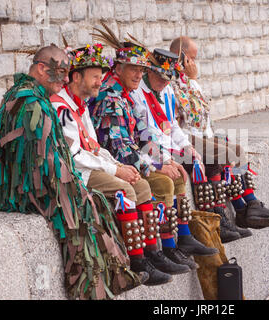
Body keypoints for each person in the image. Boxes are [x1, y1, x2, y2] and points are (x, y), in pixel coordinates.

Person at [0, 44, 147, 300]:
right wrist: (74, 192)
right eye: (62, 72)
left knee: (92, 207)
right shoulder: (32, 103)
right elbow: (44, 164)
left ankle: (119, 272)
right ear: (42, 69)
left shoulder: (31, 96)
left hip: (38, 185)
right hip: (32, 191)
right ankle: (90, 287)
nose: (66, 79)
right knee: (84, 215)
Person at [50, 40, 186, 286]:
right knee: (129, 189)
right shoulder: (63, 108)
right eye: (94, 77)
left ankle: (152, 253)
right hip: (78, 173)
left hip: (96, 164)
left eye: (101, 76)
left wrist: (122, 166)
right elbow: (75, 156)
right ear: (76, 77)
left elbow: (97, 146)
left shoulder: (79, 104)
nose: (99, 82)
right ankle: (136, 261)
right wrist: (119, 168)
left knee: (143, 187)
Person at [89, 25, 216, 270]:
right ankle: (152, 253)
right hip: (114, 162)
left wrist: (164, 160)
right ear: (118, 69)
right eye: (133, 70)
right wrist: (154, 165)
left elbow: (144, 133)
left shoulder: (126, 93)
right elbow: (120, 148)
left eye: (141, 70)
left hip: (129, 158)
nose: (138, 75)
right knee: (161, 182)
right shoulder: (111, 97)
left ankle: (178, 241)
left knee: (176, 174)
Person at [168, 36, 269, 239]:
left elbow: (205, 115)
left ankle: (249, 205)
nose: (194, 64)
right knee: (220, 155)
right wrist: (193, 81)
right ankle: (222, 215)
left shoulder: (185, 81)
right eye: (192, 59)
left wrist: (192, 81)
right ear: (183, 58)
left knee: (238, 151)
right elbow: (194, 116)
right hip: (182, 138)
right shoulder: (170, 81)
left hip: (199, 135)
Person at [126, 46, 219, 259]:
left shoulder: (166, 90)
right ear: (149, 72)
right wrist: (166, 160)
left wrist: (188, 148)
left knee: (203, 160)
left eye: (169, 78)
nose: (166, 82)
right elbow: (146, 134)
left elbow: (171, 125)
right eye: (161, 78)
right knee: (182, 172)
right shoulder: (138, 93)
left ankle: (191, 232)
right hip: (149, 150)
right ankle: (168, 245)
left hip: (166, 145)